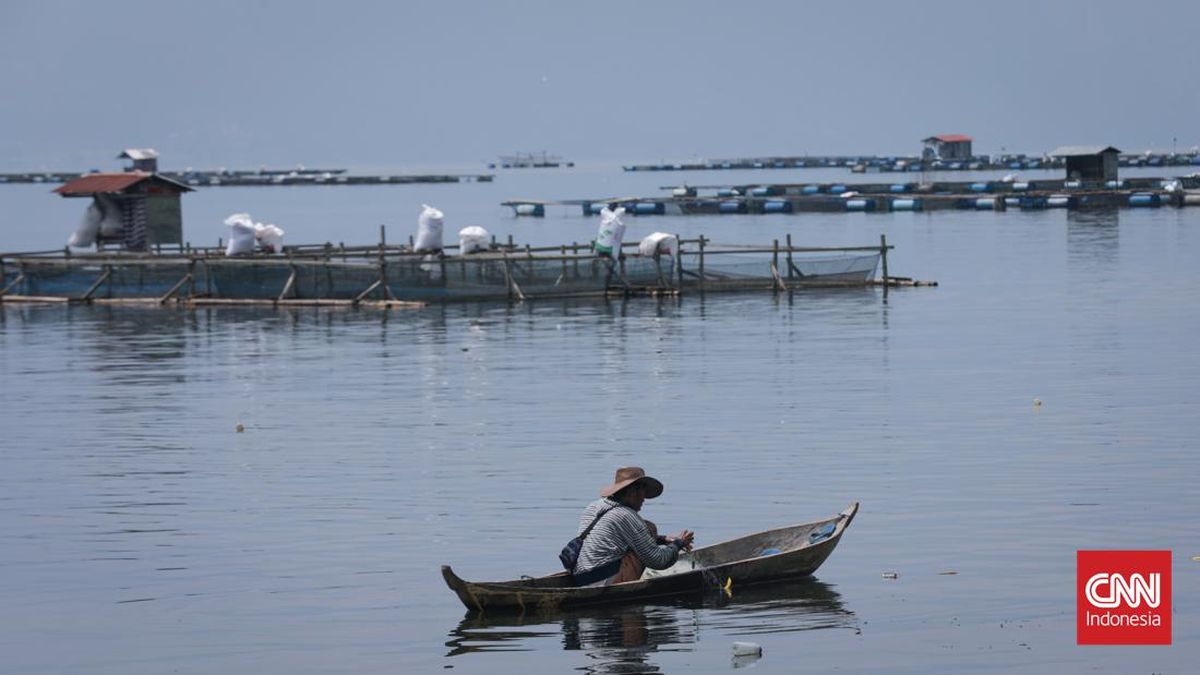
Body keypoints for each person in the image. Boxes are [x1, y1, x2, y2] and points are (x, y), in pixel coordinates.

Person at [572, 467, 695, 587]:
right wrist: (679, 544)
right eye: (643, 492)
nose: (644, 499)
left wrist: (663, 539)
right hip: (602, 582)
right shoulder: (626, 515)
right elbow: (659, 560)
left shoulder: (593, 507)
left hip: (580, 578)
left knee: (645, 530)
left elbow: (611, 538)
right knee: (649, 528)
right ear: (632, 492)